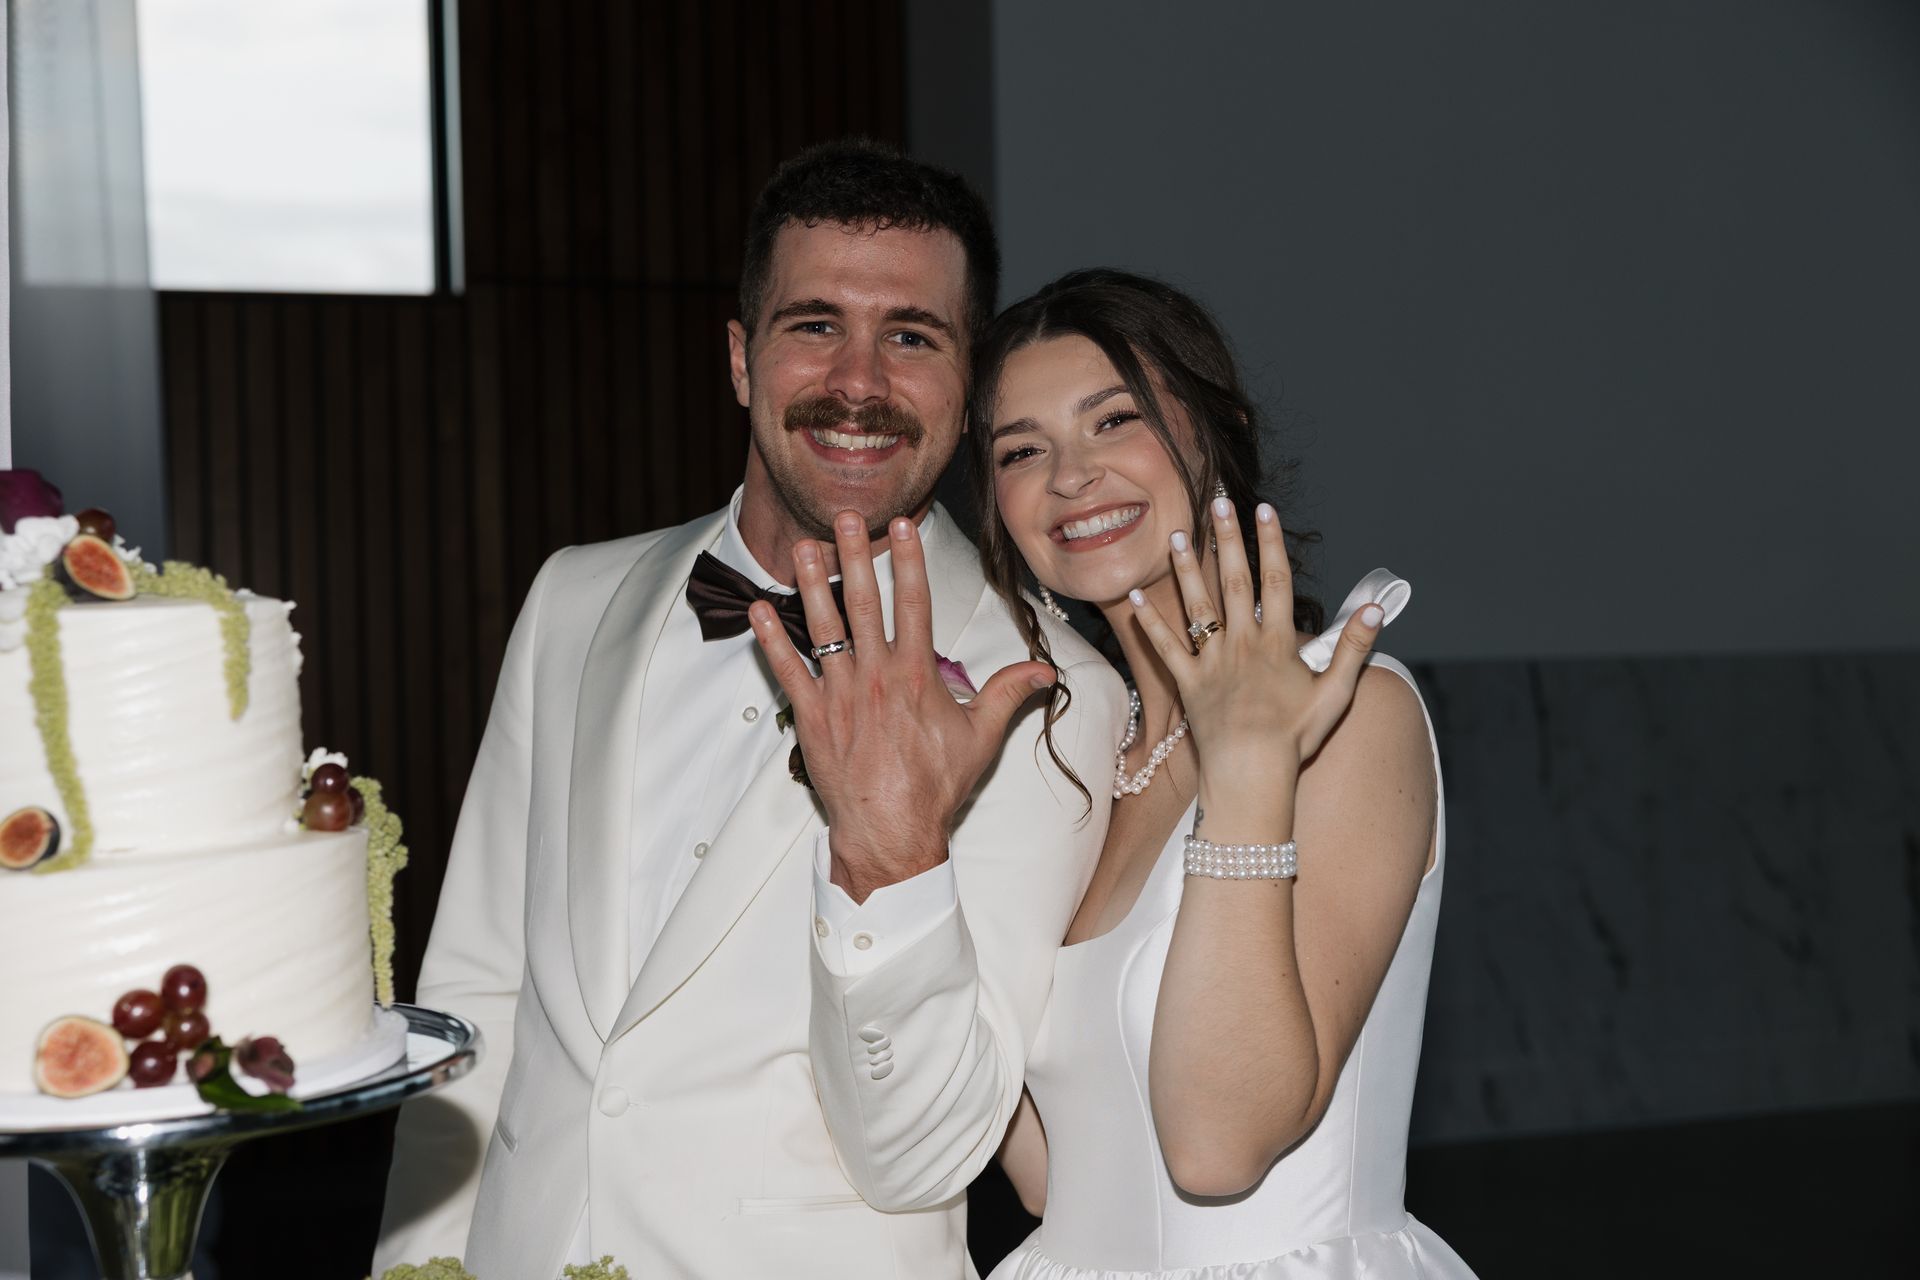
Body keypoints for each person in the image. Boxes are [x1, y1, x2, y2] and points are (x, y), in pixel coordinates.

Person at [372, 143, 1126, 1280]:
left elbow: (923, 1151)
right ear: (740, 356)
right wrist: (421, 1262)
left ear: (966, 387)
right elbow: (479, 989)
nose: (860, 381)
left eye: (911, 336)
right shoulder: (575, 597)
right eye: (814, 324)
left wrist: (894, 854)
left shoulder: (1054, 696)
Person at [768, 268, 1474, 1277]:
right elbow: (1052, 1172)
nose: (1069, 476)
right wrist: (915, 838)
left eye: (1113, 422)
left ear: (1212, 432)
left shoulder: (1345, 704)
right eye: (1022, 450)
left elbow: (1219, 1146)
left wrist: (1243, 777)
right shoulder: (1078, 757)